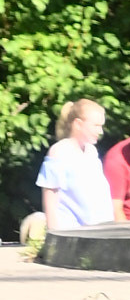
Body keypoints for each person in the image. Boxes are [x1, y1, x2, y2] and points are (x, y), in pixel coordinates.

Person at [37, 98, 112, 233]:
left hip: (99, 231)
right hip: (71, 233)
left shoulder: (91, 152)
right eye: (96, 126)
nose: (100, 131)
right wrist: (54, 235)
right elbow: (50, 199)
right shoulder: (59, 152)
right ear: (78, 124)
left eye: (101, 126)